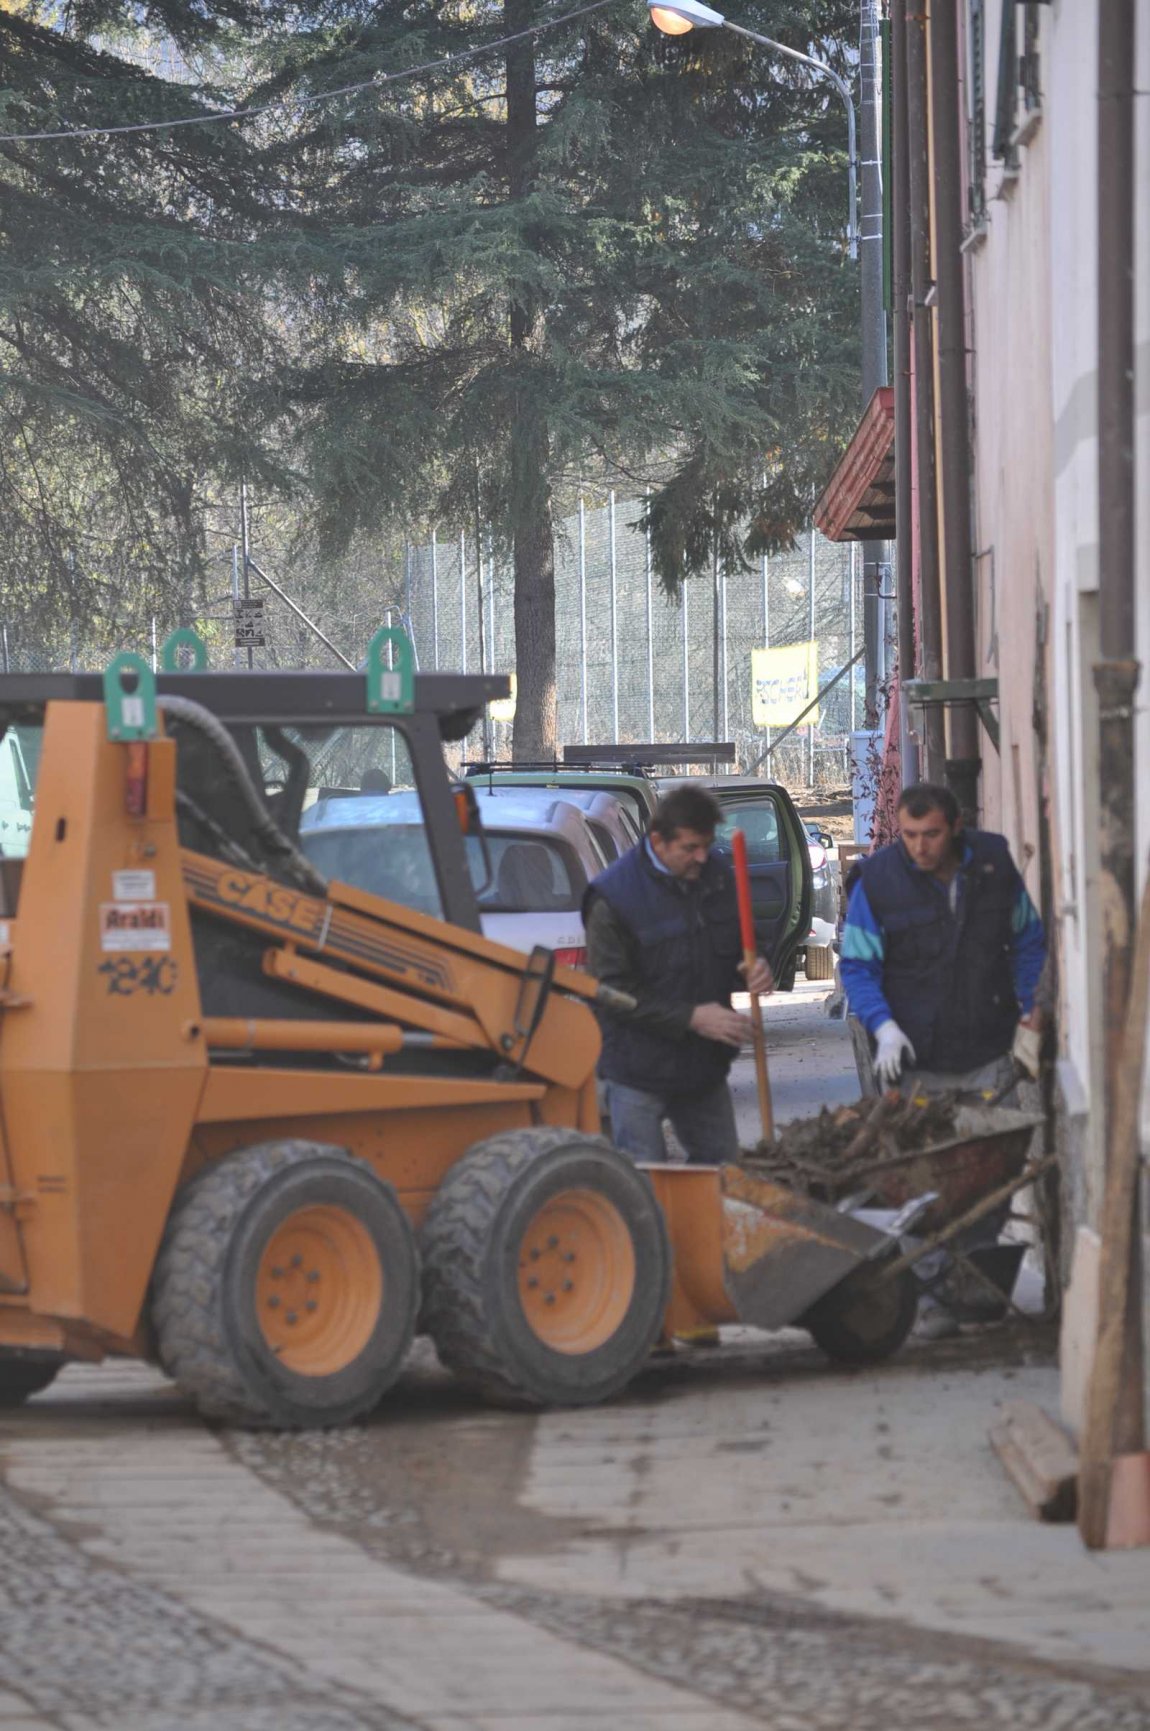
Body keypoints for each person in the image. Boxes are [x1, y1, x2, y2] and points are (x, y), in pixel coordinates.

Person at [839, 781, 1047, 1336]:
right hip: (917, 1060)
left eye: (930, 834)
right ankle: (932, 1293)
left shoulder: (993, 867)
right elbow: (857, 965)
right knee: (921, 1183)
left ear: (955, 827)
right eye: (909, 835)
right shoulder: (879, 882)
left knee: (988, 1176)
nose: (919, 847)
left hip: (986, 1048)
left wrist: (1031, 1006)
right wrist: (883, 1027)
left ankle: (970, 1282)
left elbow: (1028, 940)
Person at [584, 783, 772, 1165]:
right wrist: (691, 1017)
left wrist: (754, 967)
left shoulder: (716, 876)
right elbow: (609, 991)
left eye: (707, 845)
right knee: (645, 1177)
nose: (702, 857)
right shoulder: (613, 898)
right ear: (658, 841)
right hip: (635, 1071)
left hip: (702, 1068)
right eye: (690, 848)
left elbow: (743, 942)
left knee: (722, 1169)